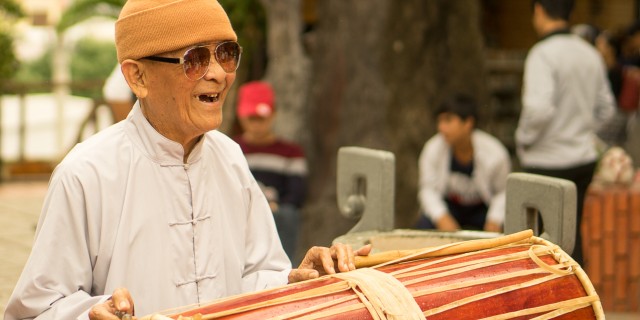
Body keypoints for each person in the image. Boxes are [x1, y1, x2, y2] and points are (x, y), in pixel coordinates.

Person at [4, 1, 370, 319]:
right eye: (194, 59)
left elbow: (254, 275)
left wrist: (293, 278)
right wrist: (89, 314)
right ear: (138, 76)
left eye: (226, 53)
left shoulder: (229, 156)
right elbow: (38, 309)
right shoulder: (86, 174)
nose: (219, 74)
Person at [516, 0, 615, 267]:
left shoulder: (542, 53)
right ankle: (580, 298)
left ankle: (545, 302)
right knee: (571, 238)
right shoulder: (589, 53)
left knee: (538, 243)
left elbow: (538, 109)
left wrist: (523, 139)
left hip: (545, 161)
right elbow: (607, 109)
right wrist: (583, 131)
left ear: (538, 9)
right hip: (582, 160)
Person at [234, 81, 307, 263]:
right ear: (241, 117)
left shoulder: (291, 152)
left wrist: (272, 207)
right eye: (252, 118)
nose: (257, 124)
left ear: (273, 114)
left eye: (262, 118)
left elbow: (297, 194)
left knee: (288, 214)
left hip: (278, 217)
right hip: (239, 214)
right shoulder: (231, 149)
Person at [416, 94, 511, 233]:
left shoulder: (495, 153)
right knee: (423, 226)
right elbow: (427, 190)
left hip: (483, 210)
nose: (441, 127)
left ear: (468, 123)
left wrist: (495, 219)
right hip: (450, 209)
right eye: (439, 121)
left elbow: (503, 191)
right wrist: (441, 217)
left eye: (448, 120)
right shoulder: (433, 149)